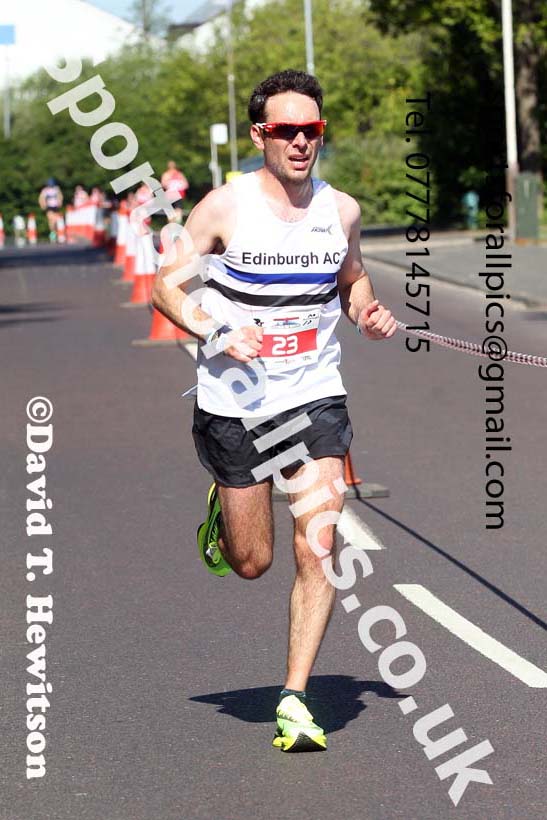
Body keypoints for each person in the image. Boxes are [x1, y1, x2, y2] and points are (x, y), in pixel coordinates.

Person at [152, 69, 396, 753]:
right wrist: (216, 331)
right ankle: (225, 512)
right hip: (234, 403)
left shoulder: (339, 210)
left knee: (320, 540)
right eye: (284, 130)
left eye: (309, 130)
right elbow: (165, 286)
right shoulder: (224, 209)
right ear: (259, 133)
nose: (298, 141)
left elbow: (350, 277)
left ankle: (294, 697)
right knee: (253, 560)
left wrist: (365, 309)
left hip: (314, 393)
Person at [38, 178, 63, 242]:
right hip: (49, 206)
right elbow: (41, 198)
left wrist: (60, 202)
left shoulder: (56, 189)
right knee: (51, 220)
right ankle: (52, 233)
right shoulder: (45, 190)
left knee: (55, 220)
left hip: (56, 206)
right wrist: (42, 205)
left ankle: (56, 231)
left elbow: (60, 196)